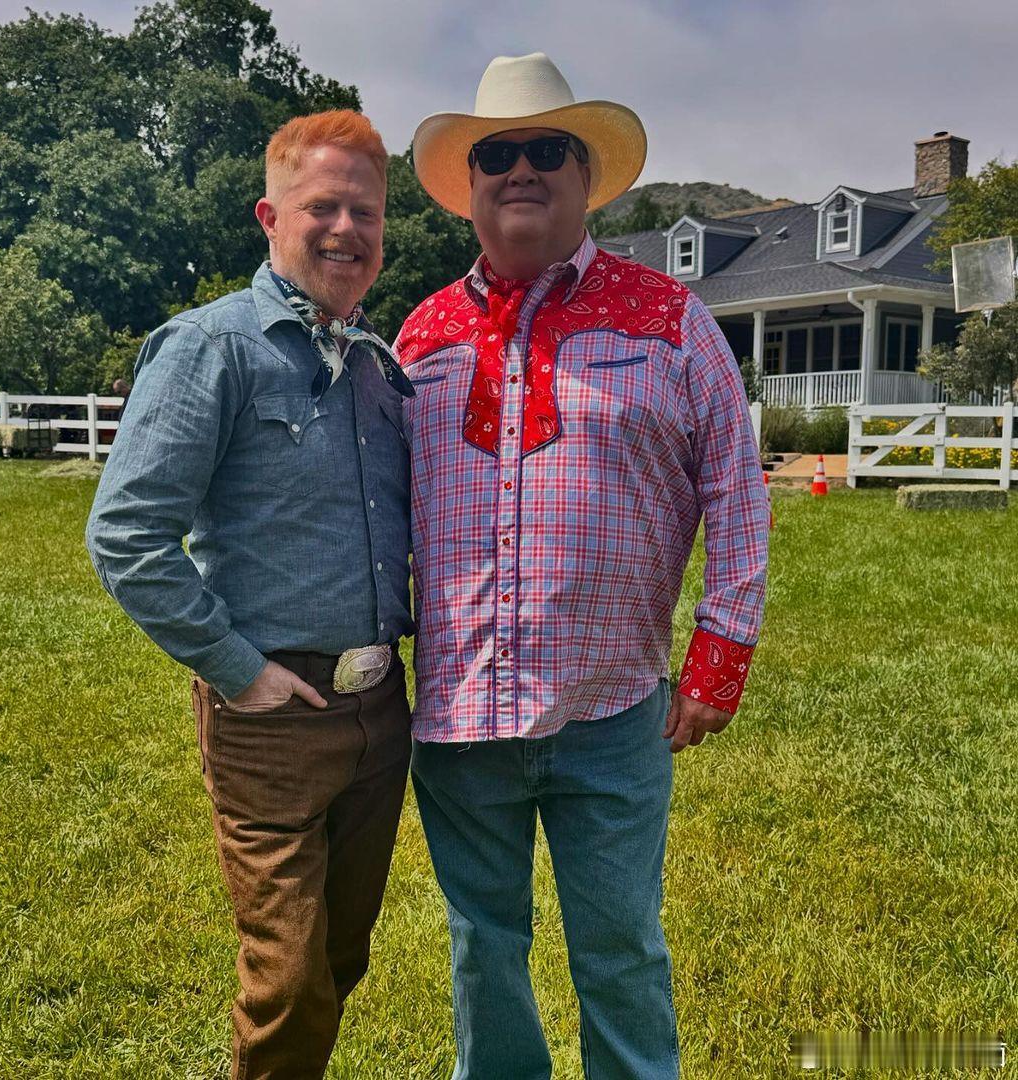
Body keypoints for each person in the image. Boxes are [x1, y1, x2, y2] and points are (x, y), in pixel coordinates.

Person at [395, 53, 770, 1079]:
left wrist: (720, 656)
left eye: (547, 148)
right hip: (460, 716)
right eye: (497, 154)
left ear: (586, 174)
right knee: (482, 954)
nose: (522, 168)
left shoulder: (670, 320)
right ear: (470, 183)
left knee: (620, 951)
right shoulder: (420, 336)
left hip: (611, 711)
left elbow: (738, 491)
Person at [85, 109, 414, 1080]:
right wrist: (238, 671)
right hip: (272, 716)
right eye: (323, 207)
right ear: (271, 216)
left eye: (366, 212)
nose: (347, 229)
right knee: (289, 977)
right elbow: (126, 533)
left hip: (379, 711)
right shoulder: (213, 348)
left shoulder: (376, 365)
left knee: (340, 957)